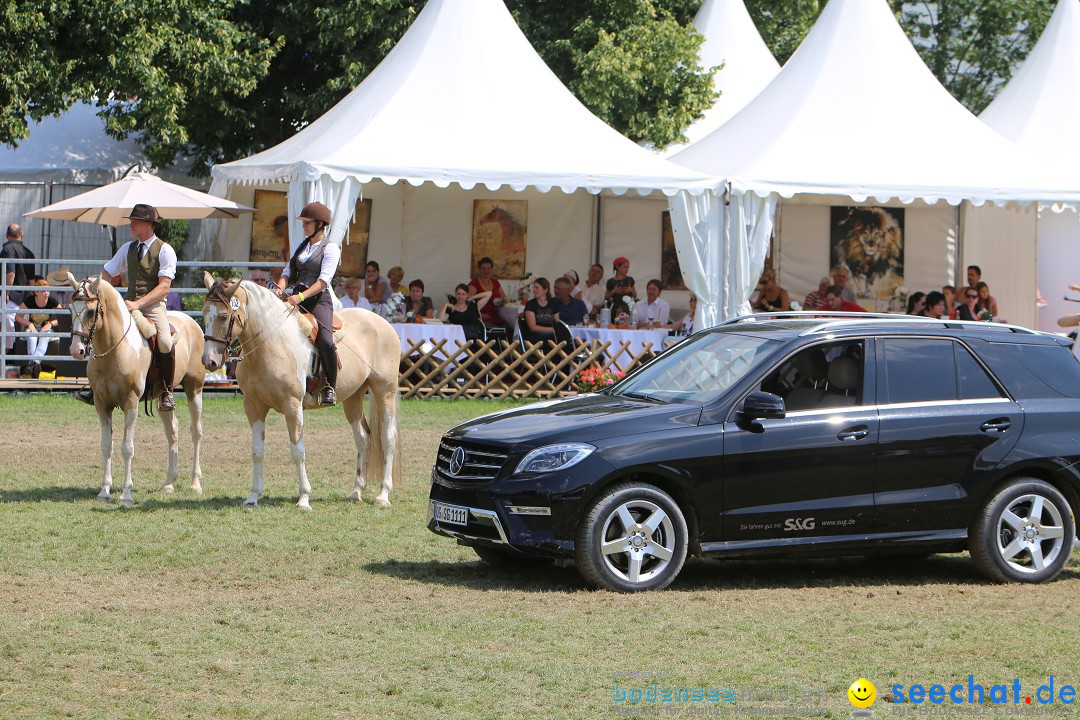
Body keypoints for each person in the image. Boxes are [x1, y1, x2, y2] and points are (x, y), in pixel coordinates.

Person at [76, 204, 179, 409]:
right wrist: (94, 288)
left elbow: (164, 286)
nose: (130, 224)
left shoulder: (165, 250)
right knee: (101, 332)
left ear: (148, 224)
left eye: (136, 221)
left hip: (153, 306)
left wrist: (139, 303)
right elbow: (106, 274)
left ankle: (167, 391)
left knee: (166, 342)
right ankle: (95, 386)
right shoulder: (127, 248)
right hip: (127, 305)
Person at [274, 201, 340, 406]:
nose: (304, 226)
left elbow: (323, 281)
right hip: (295, 297)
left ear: (320, 224)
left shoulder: (331, 249)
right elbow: (288, 271)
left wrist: (300, 298)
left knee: (326, 341)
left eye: (307, 223)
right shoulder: (301, 246)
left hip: (318, 301)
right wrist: (279, 287)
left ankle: (330, 386)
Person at [15, 275, 60, 377]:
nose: (46, 293)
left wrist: (50, 324)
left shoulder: (52, 300)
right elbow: (18, 316)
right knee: (32, 337)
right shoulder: (29, 300)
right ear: (36, 292)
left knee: (44, 337)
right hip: (33, 328)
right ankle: (35, 365)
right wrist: (29, 324)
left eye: (48, 291)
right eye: (43, 291)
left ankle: (32, 365)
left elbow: (63, 317)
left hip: (46, 329)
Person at [468, 256, 507, 329]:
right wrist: (480, 315)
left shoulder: (496, 282)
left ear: (492, 269)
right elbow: (468, 303)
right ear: (479, 269)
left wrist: (502, 302)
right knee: (498, 330)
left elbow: (504, 298)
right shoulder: (475, 283)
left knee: (510, 328)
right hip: (481, 319)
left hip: (496, 317)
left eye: (488, 268)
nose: (486, 271)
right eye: (483, 269)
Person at [2, 223, 35, 305]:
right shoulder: (29, 253)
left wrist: (5, 293)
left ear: (6, 235)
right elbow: (31, 280)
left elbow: (10, 274)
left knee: (7, 318)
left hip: (10, 299)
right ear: (22, 236)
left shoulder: (8, 250)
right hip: (23, 300)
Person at [523, 277, 557, 343]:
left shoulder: (553, 304)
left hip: (551, 334)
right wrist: (553, 330)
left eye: (537, 288)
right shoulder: (530, 304)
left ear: (545, 290)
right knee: (556, 335)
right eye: (534, 287)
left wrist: (556, 330)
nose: (534, 290)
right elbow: (533, 328)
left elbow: (557, 323)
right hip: (535, 336)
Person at [605, 256, 637, 320]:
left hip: (628, 309)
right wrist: (613, 291)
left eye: (628, 267)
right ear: (617, 267)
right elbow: (606, 297)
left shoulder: (630, 280)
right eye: (624, 267)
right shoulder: (611, 281)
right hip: (616, 310)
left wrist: (631, 290)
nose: (627, 269)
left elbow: (635, 295)